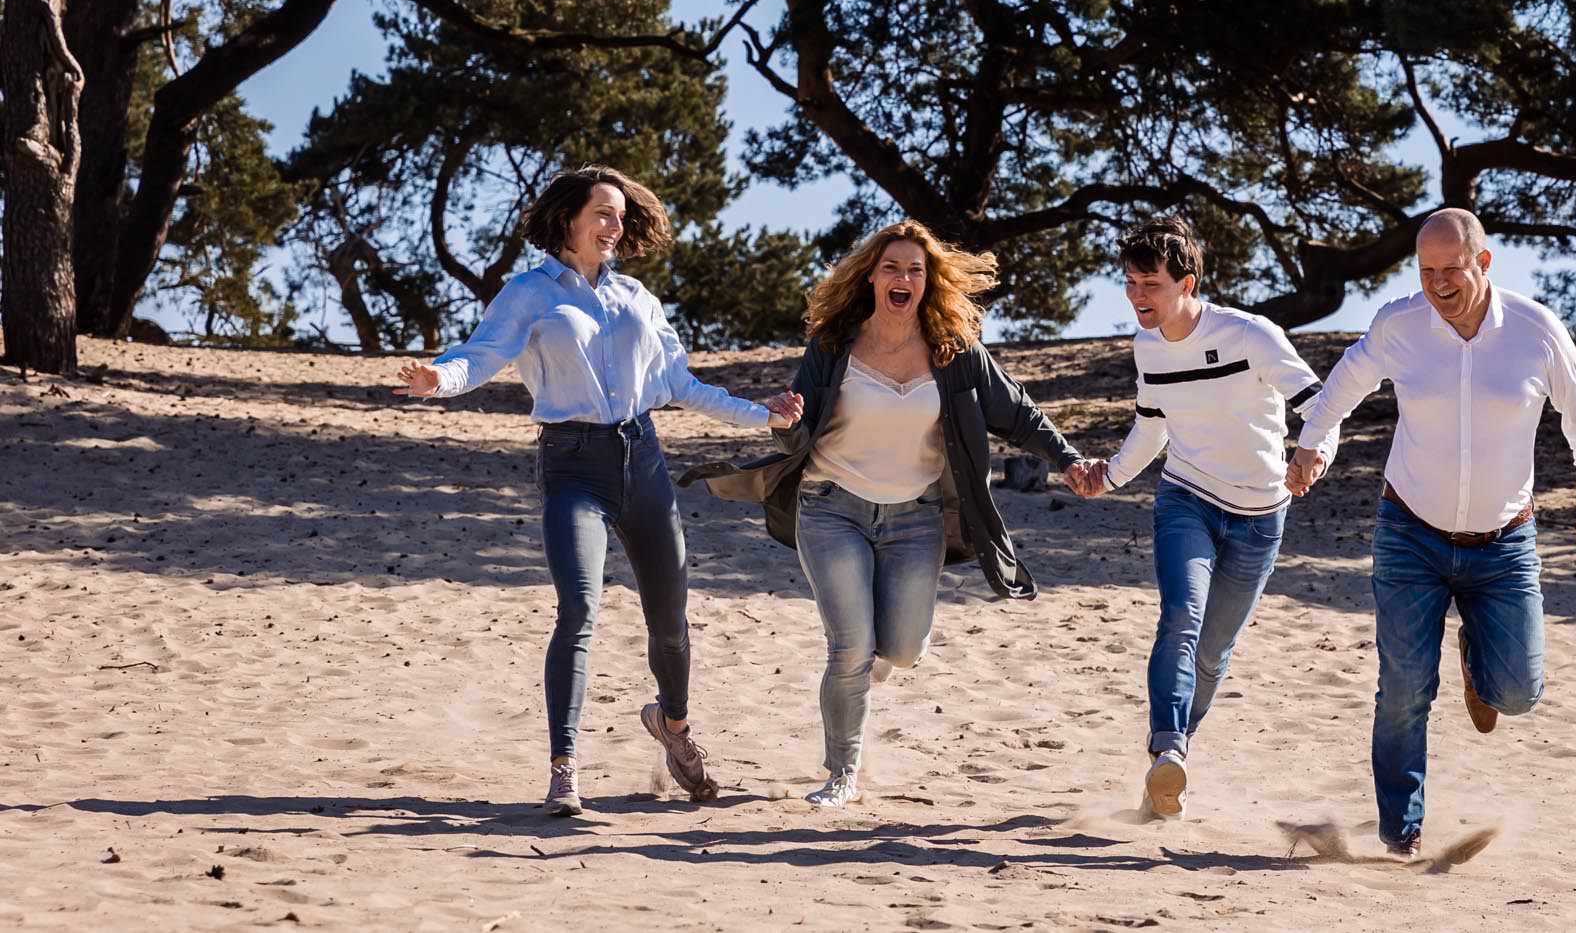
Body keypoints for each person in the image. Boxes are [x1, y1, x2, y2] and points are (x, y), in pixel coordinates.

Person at [391, 165, 802, 818]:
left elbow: (683, 384)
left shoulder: (637, 298)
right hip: (572, 464)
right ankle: (564, 769)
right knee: (578, 608)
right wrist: (434, 380)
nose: (614, 226)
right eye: (602, 213)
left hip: (642, 461)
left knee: (670, 621)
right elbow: (481, 354)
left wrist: (764, 414)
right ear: (568, 219)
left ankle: (673, 725)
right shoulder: (528, 293)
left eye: (619, 215)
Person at [681, 220, 1102, 809]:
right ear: (871, 278)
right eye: (891, 268)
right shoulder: (834, 347)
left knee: (900, 649)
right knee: (849, 647)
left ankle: (866, 678)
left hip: (916, 516)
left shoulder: (956, 354)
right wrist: (783, 418)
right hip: (832, 509)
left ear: (929, 282)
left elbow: (1020, 414)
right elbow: (794, 430)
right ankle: (841, 774)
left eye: (915, 270)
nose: (903, 278)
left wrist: (1069, 459)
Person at [1285, 207, 1576, 858]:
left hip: (1504, 541)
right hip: (1410, 531)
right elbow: (1344, 383)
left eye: (1451, 270)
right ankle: (1399, 831)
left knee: (1518, 693)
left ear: (1484, 262)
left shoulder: (1534, 330)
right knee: (1405, 685)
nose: (1437, 285)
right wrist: (1314, 444)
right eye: (1425, 270)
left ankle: (1478, 663)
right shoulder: (1400, 323)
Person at [1066, 215, 1338, 820]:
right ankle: (1168, 749)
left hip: (1260, 516)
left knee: (1213, 655)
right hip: (1186, 497)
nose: (1137, 297)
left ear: (1186, 282)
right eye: (1130, 284)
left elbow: (1322, 404)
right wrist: (1108, 475)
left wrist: (1316, 451)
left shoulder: (1250, 336)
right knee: (1180, 618)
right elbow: (1151, 426)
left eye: (1150, 284)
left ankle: (1170, 767)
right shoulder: (1146, 348)